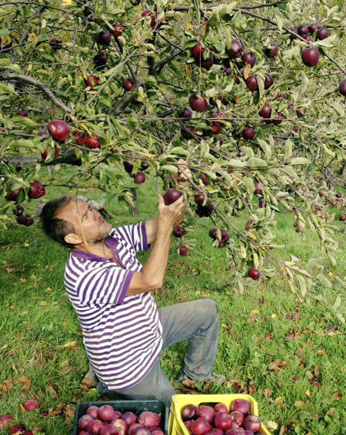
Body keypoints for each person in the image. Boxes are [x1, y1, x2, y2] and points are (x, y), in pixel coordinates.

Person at [39, 170, 224, 405]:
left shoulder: (114, 239)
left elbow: (164, 224)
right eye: (85, 217)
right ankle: (114, 391)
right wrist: (166, 227)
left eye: (90, 208)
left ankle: (196, 377)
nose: (96, 215)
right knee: (174, 413)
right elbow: (151, 280)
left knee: (207, 311)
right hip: (128, 366)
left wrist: (180, 189)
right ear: (74, 239)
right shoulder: (84, 275)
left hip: (151, 330)